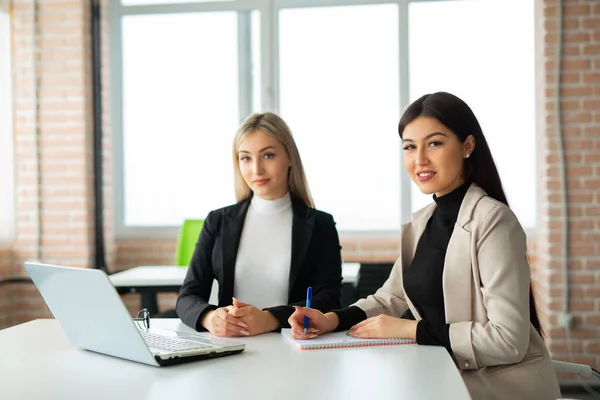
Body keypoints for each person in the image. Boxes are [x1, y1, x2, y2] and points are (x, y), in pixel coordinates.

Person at [288, 92, 560, 399]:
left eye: (435, 143)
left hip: (498, 387)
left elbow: (507, 340)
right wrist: (332, 320)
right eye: (409, 147)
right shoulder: (420, 223)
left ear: (467, 146)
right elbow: (390, 297)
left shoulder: (494, 221)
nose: (420, 160)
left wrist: (410, 330)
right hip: (440, 376)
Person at [177, 112, 343, 338]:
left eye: (268, 155)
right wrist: (209, 318)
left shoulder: (320, 224)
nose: (256, 169)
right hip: (231, 349)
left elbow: (329, 298)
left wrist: (269, 319)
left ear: (290, 158)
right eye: (245, 158)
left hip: (293, 347)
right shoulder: (218, 221)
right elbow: (188, 297)